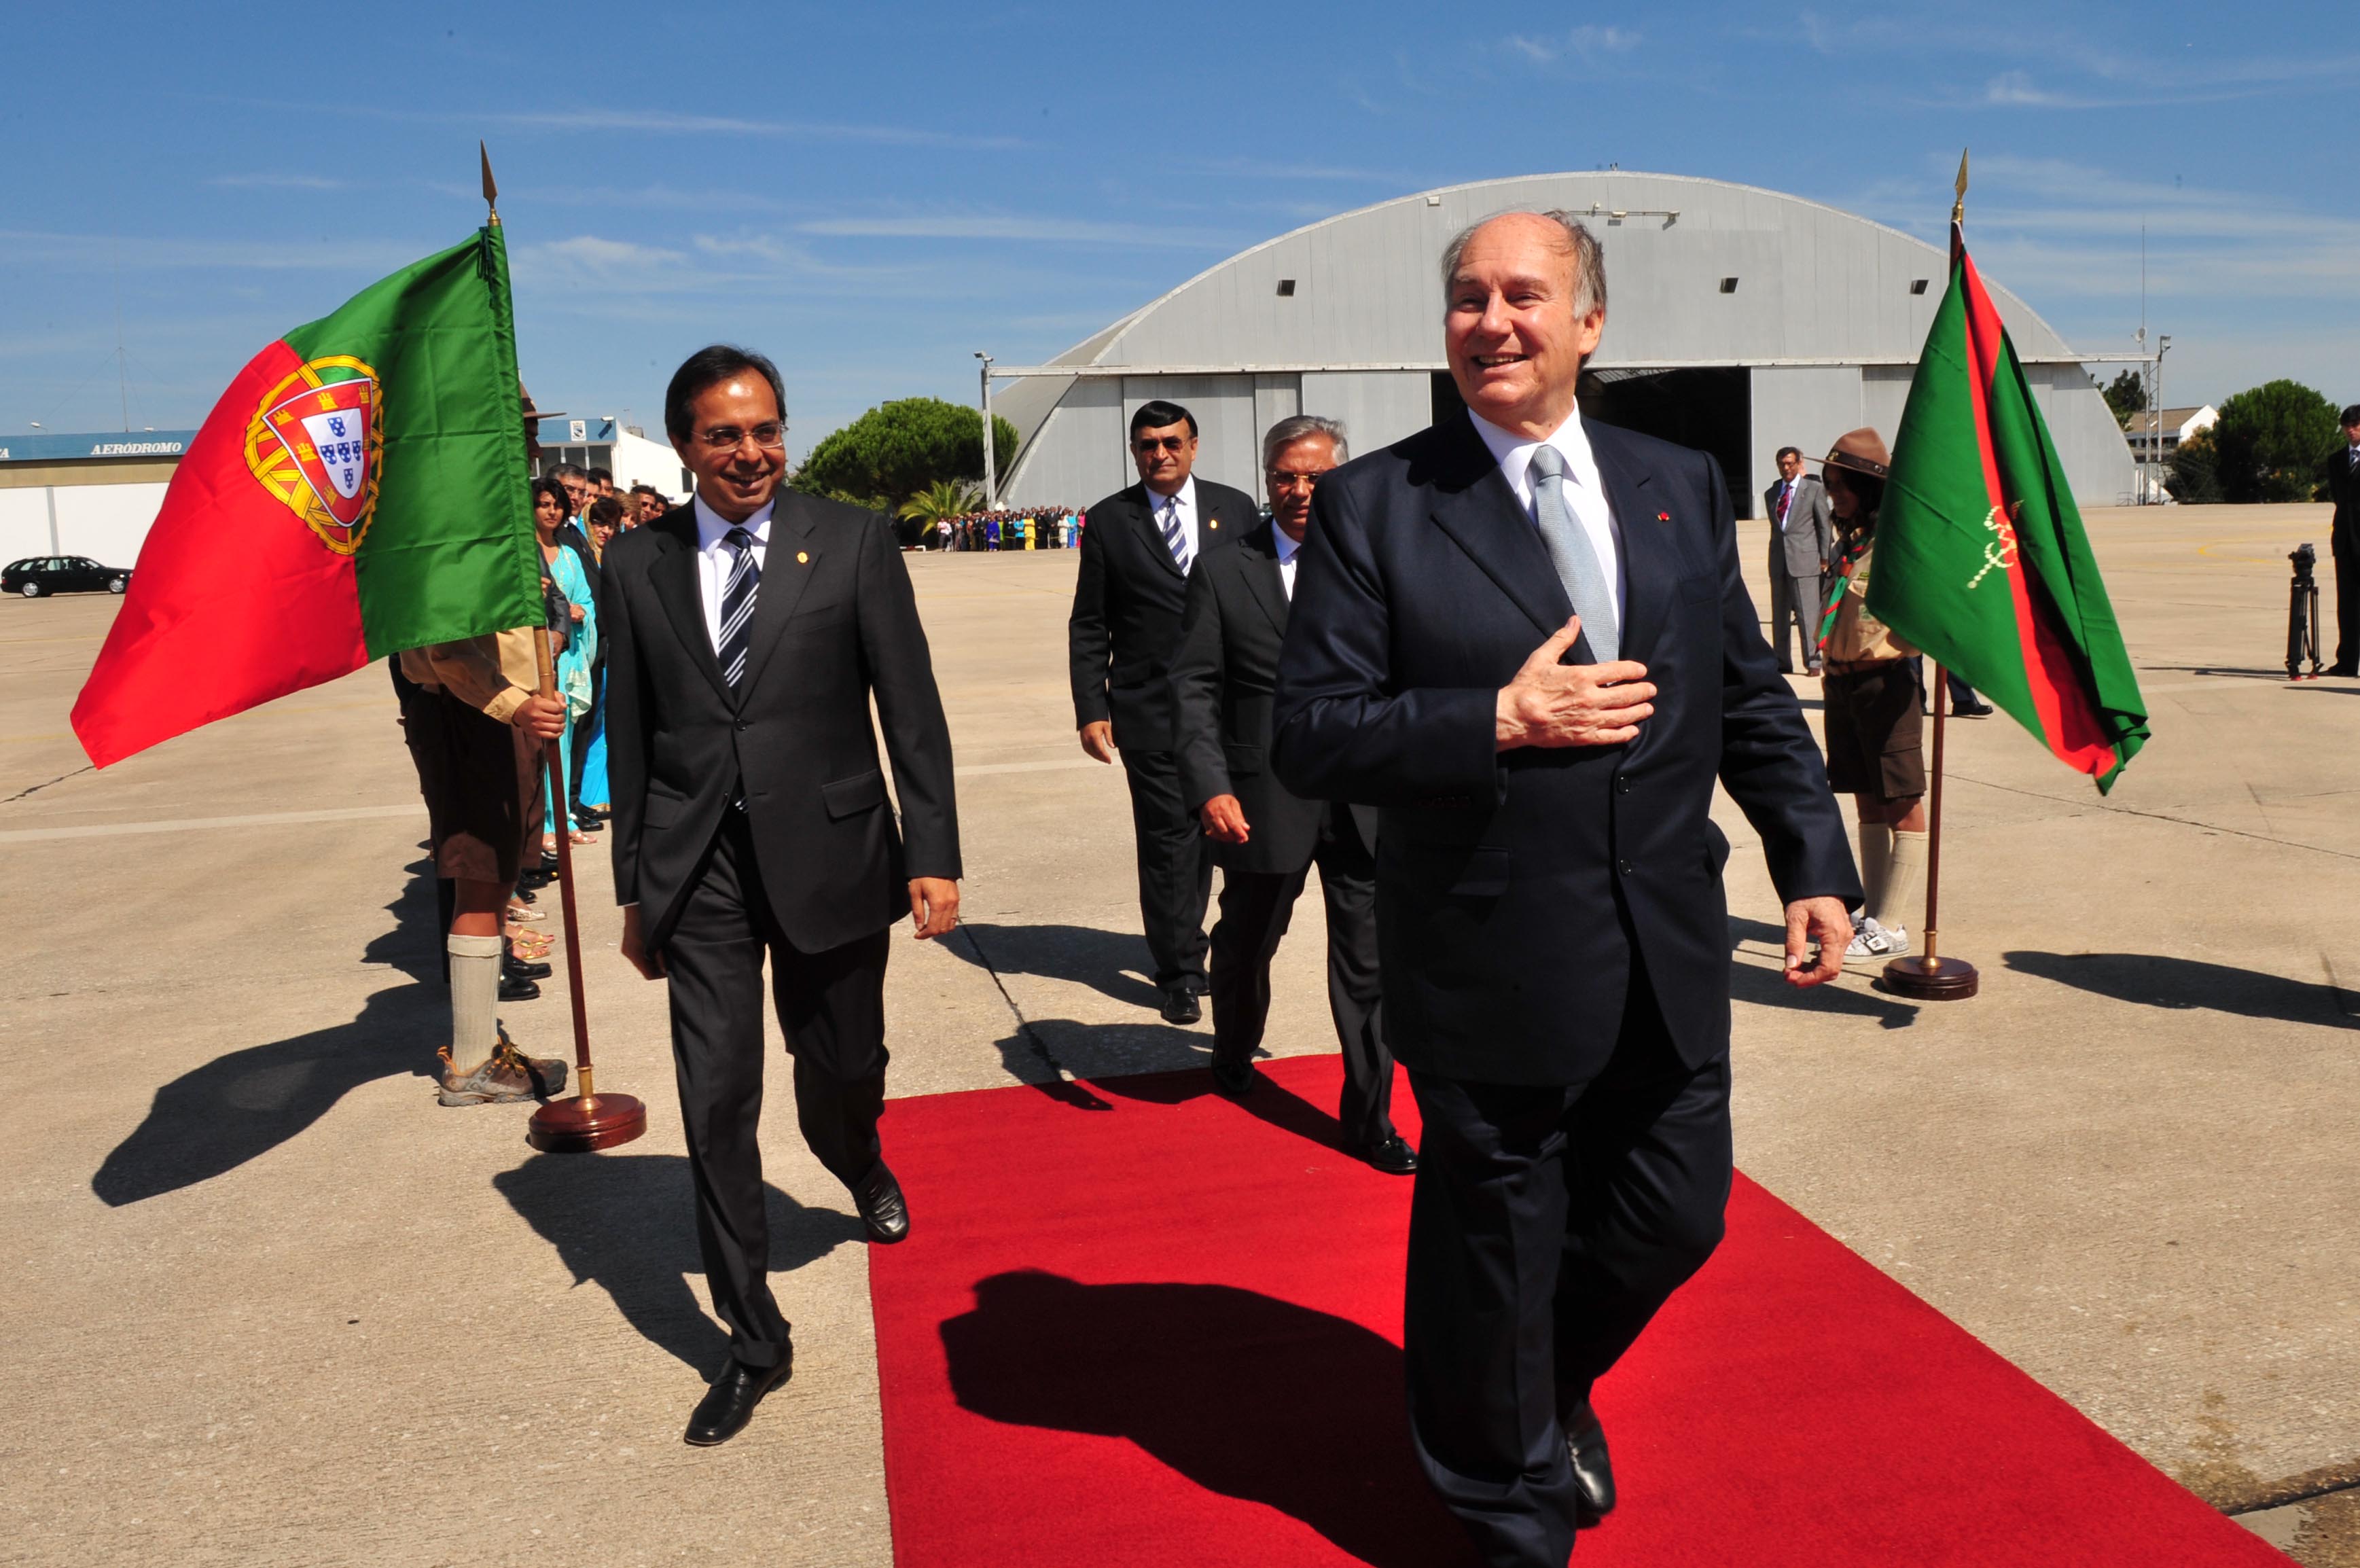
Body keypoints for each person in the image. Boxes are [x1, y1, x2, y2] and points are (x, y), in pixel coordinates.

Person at [1272, 211, 1857, 1568]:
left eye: (1523, 295)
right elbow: (1312, 731)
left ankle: (1523, 1382)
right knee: (1498, 1235)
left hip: (1665, 939)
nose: (1492, 321)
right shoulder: (1378, 503)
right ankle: (1508, 1499)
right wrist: (1494, 716)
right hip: (1488, 950)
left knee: (1674, 1209)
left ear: (1590, 323)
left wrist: (1810, 860)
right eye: (1467, 298)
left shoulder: (1677, 481)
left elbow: (1748, 696)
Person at [602, 344, 962, 1448]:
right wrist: (632, 885)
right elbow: (630, 733)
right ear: (684, 446)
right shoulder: (634, 563)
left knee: (841, 1066)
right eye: (724, 434)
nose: (750, 453)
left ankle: (857, 1158)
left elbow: (910, 705)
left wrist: (932, 847)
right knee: (713, 1103)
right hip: (697, 864)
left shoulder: (849, 539)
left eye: (765, 430)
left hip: (837, 854)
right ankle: (753, 1339)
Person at [1170, 414, 1415, 1175]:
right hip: (1261, 800)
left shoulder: (1382, 562)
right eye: (1286, 475)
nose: (1301, 489)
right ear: (1266, 478)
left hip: (1364, 800)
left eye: (1317, 476)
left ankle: (1370, 1119)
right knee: (1245, 946)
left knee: (1370, 966)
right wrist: (1210, 785)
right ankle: (1234, 1046)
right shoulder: (1222, 569)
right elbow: (1194, 688)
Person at [1069, 399, 1257, 1023]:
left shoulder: (1235, 510)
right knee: (1170, 843)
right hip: (1149, 709)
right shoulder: (1108, 522)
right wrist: (1091, 706)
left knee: (1236, 836)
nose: (1161, 454)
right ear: (1135, 452)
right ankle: (1179, 970)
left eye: (1172, 442)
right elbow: (1090, 623)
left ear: (1194, 446)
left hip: (1234, 706)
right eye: (1148, 445)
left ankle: (1236, 949)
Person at [391, 595, 573, 1104]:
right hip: (473, 713)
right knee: (479, 881)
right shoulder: (457, 523)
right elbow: (446, 644)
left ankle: (482, 1049)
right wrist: (515, 705)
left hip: (502, 710)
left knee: (496, 883)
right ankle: (471, 1066)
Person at [1815, 430, 1928, 959]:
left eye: (1840, 484)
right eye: (1829, 483)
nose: (1832, 493)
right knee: (1865, 798)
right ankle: (1874, 912)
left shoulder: (1895, 544)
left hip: (1887, 682)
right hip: (1843, 682)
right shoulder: (1852, 542)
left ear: (1866, 485)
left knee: (1901, 800)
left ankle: (1894, 922)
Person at [533, 478, 598, 855]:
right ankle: (542, 823)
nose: (553, 511)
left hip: (570, 656)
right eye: (544, 504)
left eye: (557, 504)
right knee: (541, 743)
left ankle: (562, 817)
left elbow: (587, 600)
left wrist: (581, 613)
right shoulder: (525, 553)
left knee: (566, 739)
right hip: (538, 657)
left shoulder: (571, 554)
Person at [1762, 446, 1831, 675]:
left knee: (1807, 614)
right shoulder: (1772, 494)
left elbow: (1824, 525)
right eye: (1782, 464)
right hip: (1779, 560)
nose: (1786, 468)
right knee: (1779, 615)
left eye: (1790, 463)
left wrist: (1825, 557)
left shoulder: (1812, 489)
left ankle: (1812, 661)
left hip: (1805, 559)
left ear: (1799, 463)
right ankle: (1781, 660)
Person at [2326, 405, 2360, 677]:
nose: (2351, 430)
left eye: (2356, 425)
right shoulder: (2336, 461)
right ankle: (2347, 661)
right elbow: (2340, 499)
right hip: (2346, 542)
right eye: (2347, 426)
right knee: (2347, 604)